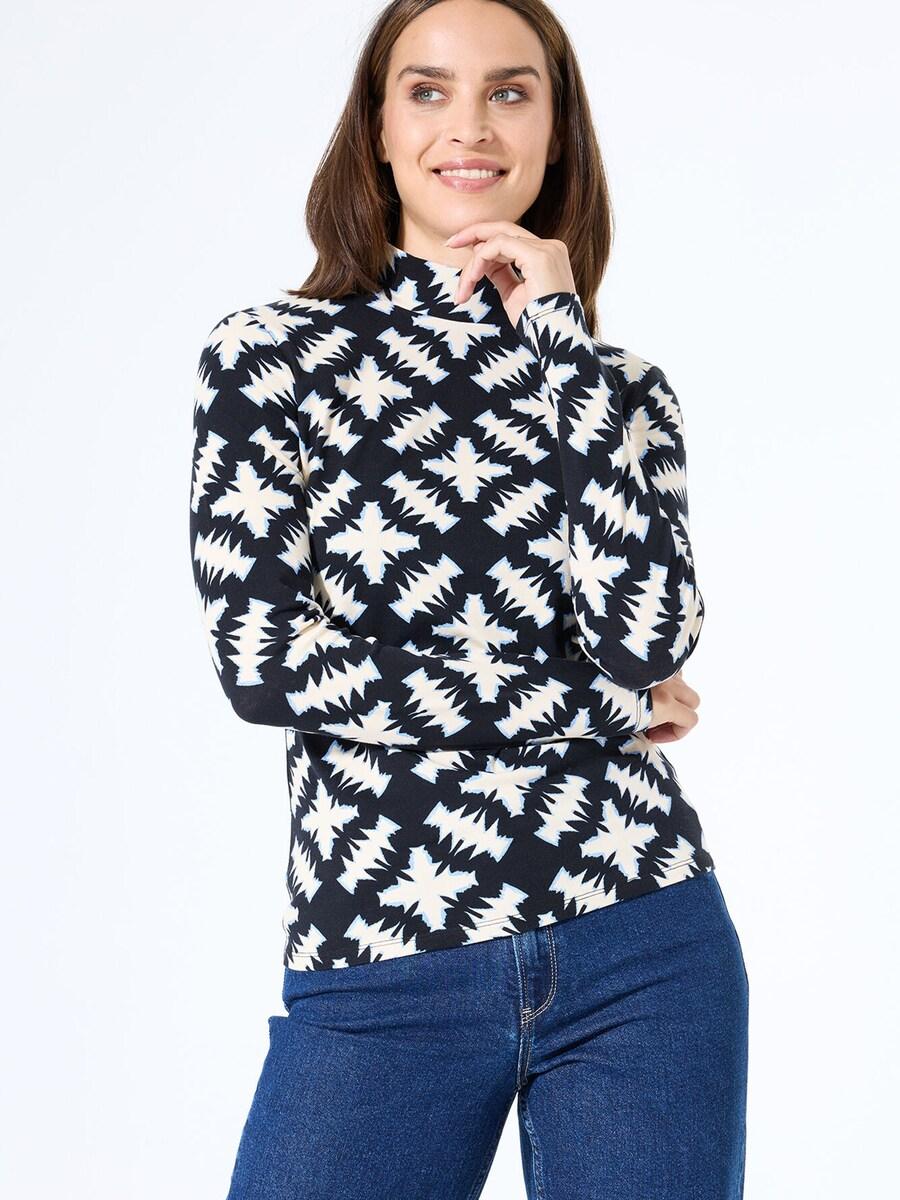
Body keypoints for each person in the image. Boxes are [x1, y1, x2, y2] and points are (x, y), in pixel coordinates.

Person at [188, 1, 749, 1196]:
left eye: (511, 91)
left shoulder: (622, 387)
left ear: (556, 130)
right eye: (429, 90)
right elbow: (268, 661)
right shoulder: (271, 357)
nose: (471, 127)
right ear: (378, 129)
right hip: (384, 953)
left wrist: (560, 339)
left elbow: (646, 635)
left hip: (644, 939)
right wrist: (597, 709)